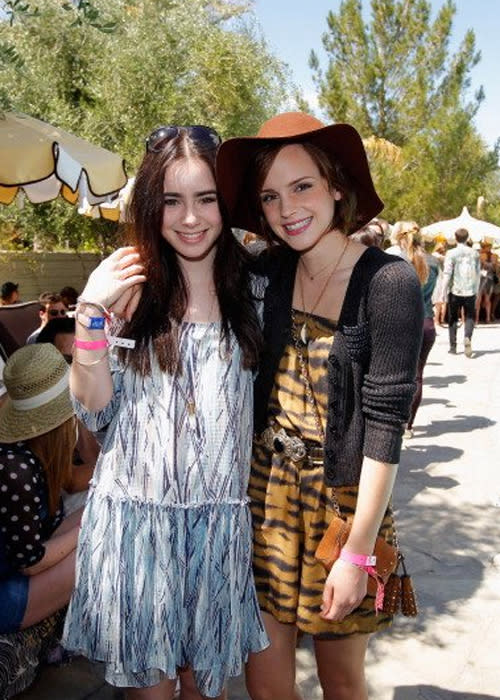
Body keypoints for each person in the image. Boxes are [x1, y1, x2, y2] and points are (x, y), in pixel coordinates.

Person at [216, 112, 423, 700]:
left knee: (340, 680)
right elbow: (190, 265)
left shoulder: (389, 282)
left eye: (302, 186)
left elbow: (385, 426)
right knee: (264, 676)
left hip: (346, 504)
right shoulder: (270, 270)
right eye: (271, 196)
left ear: (336, 184)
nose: (287, 209)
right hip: (266, 490)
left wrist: (358, 553)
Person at [62, 125, 268, 700]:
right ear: (153, 206)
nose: (190, 218)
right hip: (135, 527)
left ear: (225, 203)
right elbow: (96, 411)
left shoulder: (255, 291)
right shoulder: (124, 287)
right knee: (149, 694)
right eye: (172, 201)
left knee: (206, 692)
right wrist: (89, 314)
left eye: (206, 199)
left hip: (218, 531)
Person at [0, 344, 82, 636]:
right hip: (8, 591)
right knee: (101, 545)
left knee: (102, 512)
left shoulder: (23, 452)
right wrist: (89, 528)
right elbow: (29, 563)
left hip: (13, 569)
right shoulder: (15, 469)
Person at [387, 222, 438, 439]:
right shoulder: (434, 262)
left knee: (392, 377)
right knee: (417, 376)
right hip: (427, 323)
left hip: (401, 323)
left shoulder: (394, 259)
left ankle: (391, 424)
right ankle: (408, 426)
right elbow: (438, 295)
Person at [442, 228, 481, 357]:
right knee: (469, 317)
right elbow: (478, 274)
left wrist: (443, 291)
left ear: (455, 237)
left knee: (453, 318)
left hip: (455, 291)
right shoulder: (475, 253)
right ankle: (467, 337)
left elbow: (447, 273)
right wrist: (477, 290)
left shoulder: (451, 253)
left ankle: (453, 347)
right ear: (468, 238)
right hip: (470, 291)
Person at [475, 240, 498, 324]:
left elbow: (494, 267)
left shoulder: (492, 256)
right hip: (483, 279)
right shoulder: (478, 255)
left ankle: (485, 318)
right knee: (480, 299)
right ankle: (479, 318)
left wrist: (484, 262)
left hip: (487, 279)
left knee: (485, 299)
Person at [431, 240, 448, 326]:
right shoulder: (444, 257)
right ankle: (441, 320)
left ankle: (437, 320)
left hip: (438, 278)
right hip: (443, 279)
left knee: (438, 301)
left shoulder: (434, 256)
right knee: (442, 301)